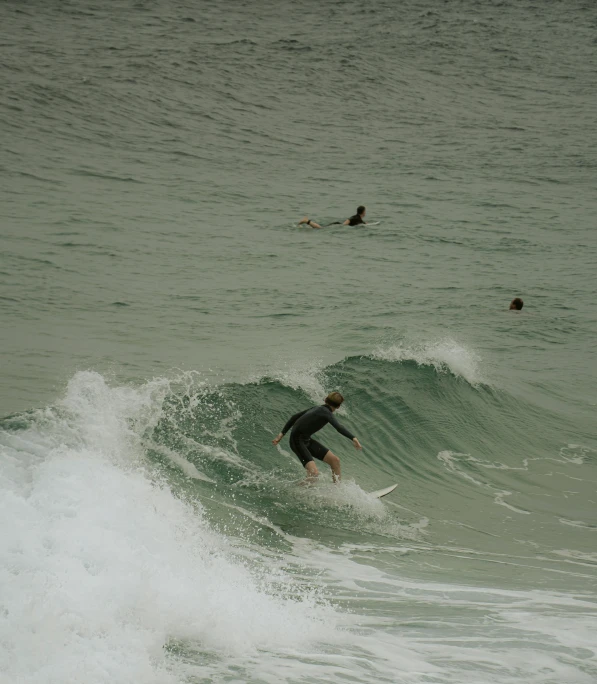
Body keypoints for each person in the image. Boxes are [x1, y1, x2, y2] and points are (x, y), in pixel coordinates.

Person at [272, 392, 362, 483]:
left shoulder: (317, 408)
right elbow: (339, 427)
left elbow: (294, 417)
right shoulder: (326, 412)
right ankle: (296, 492)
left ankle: (337, 490)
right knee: (314, 474)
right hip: (297, 441)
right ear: (338, 407)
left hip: (306, 440)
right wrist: (353, 438)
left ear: (326, 400)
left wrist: (281, 435)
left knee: (335, 461)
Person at [298, 205, 367, 229]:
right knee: (321, 228)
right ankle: (307, 221)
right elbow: (348, 220)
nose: (365, 212)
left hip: (337, 225)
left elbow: (361, 223)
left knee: (320, 228)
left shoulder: (359, 219)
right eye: (365, 211)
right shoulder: (356, 217)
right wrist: (342, 226)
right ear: (363, 212)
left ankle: (308, 223)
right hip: (337, 225)